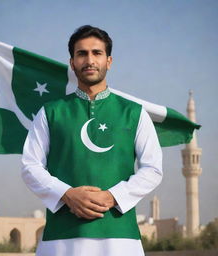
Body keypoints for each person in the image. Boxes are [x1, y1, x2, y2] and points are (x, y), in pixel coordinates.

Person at [21, 25, 163, 256]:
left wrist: (112, 196)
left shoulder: (135, 113)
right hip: (61, 238)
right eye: (82, 53)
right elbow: (30, 166)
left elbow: (153, 169)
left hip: (121, 238)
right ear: (72, 62)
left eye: (97, 53)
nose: (89, 60)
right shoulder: (50, 112)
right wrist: (67, 194)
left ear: (109, 61)